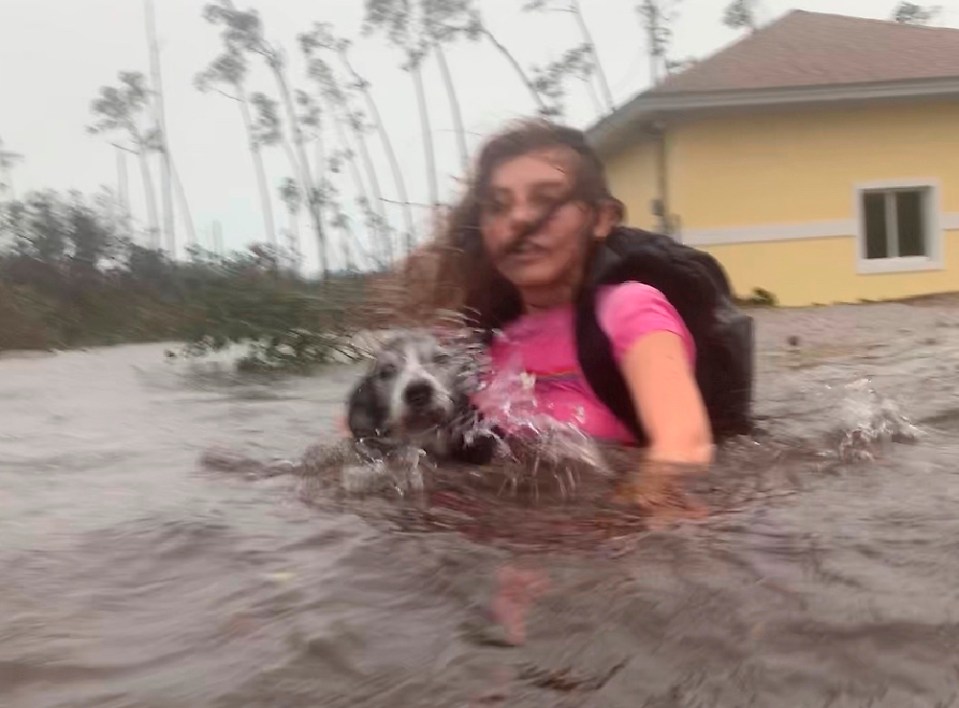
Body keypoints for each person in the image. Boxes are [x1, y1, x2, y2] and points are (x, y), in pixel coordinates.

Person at [407, 119, 721, 515]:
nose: (519, 220)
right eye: (498, 206)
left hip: (607, 548)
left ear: (602, 218)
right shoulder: (474, 343)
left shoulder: (629, 311)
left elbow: (684, 448)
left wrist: (619, 527)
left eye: (545, 200)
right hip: (501, 549)